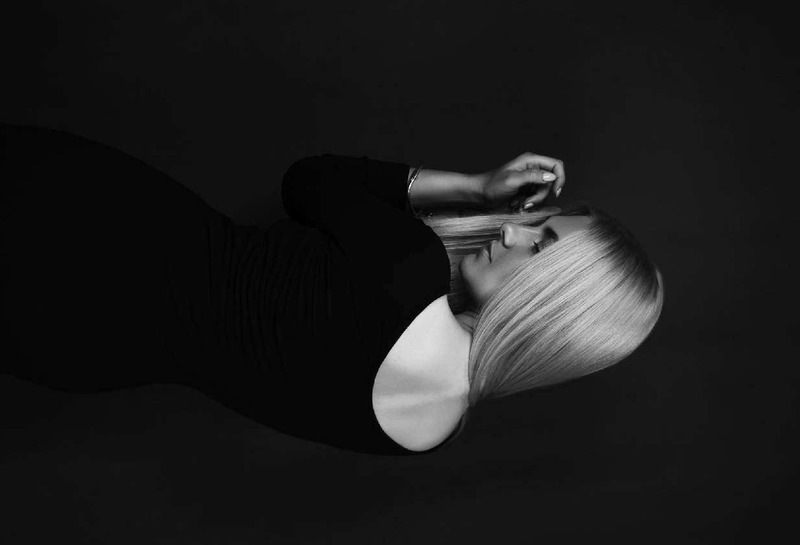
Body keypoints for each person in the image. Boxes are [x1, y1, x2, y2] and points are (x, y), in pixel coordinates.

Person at [0, 122, 664, 456]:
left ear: (554, 303)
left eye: (540, 244)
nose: (512, 230)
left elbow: (309, 179)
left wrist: (474, 187)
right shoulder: (425, 434)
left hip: (83, 227)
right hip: (79, 353)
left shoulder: (408, 268)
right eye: (535, 222)